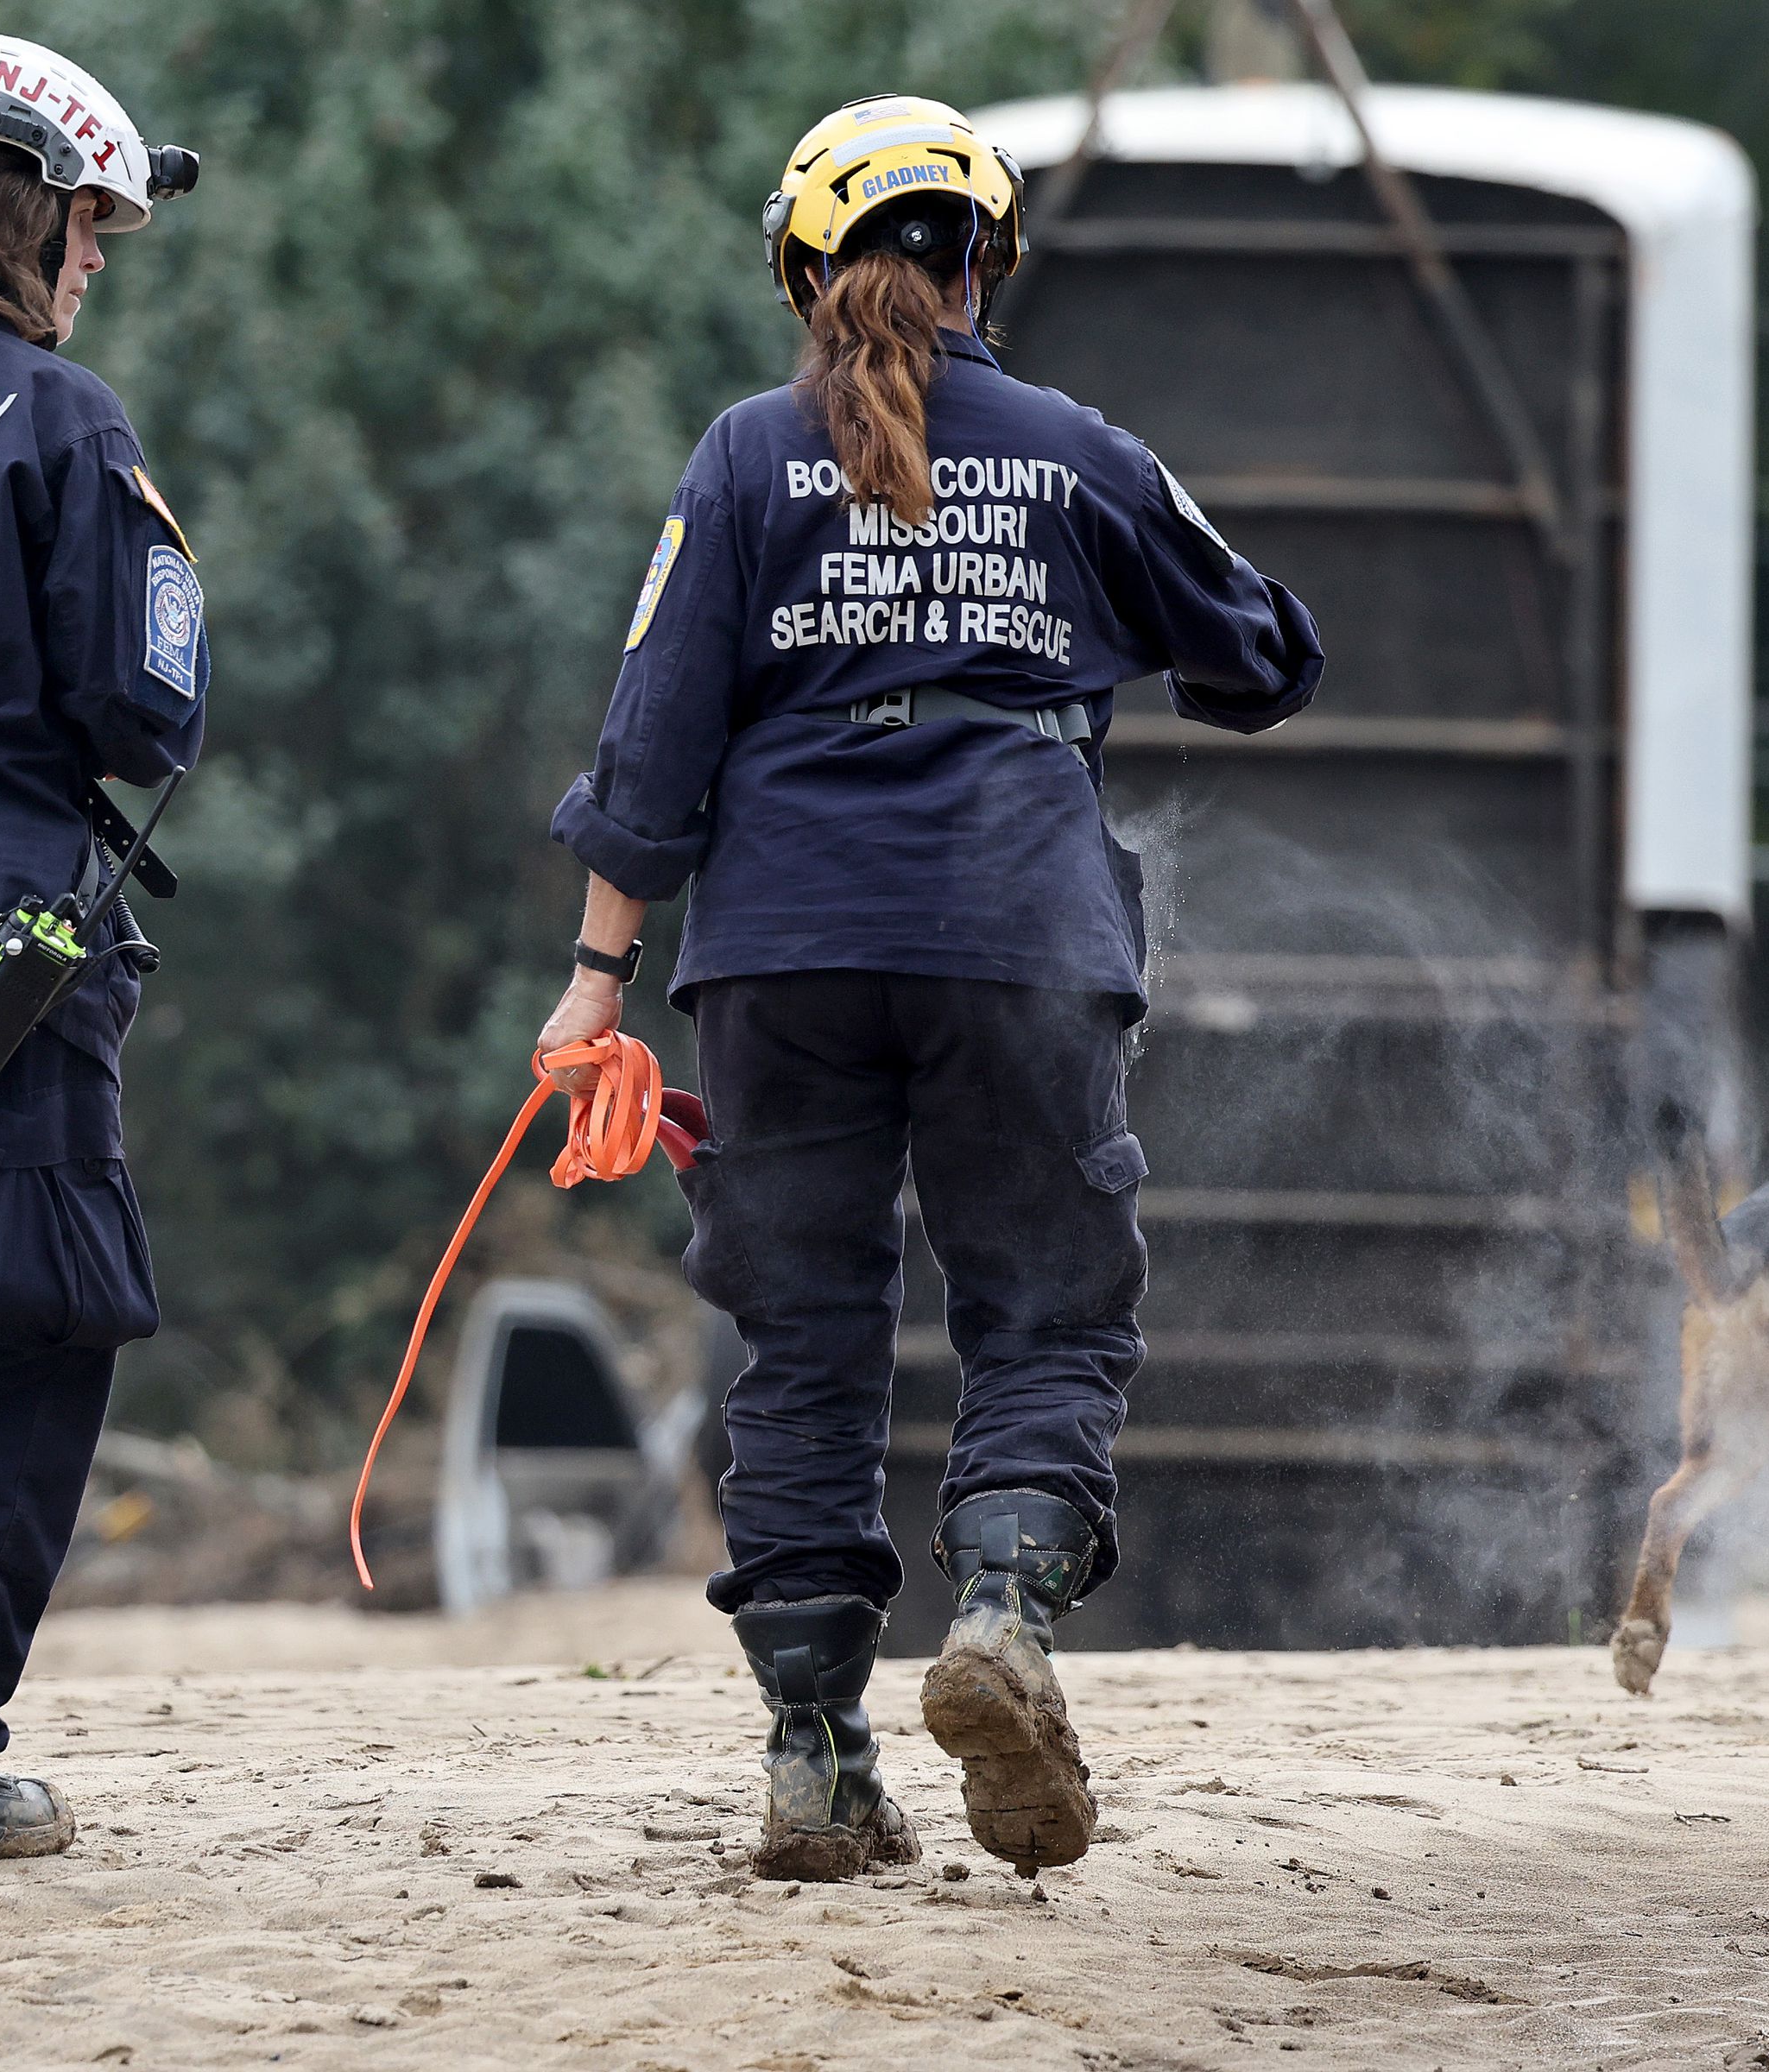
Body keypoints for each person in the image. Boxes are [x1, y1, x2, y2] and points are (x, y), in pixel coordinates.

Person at [540, 93, 1322, 1881]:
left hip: (782, 952)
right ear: (992, 261)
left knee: (800, 1352)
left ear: (805, 271)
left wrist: (596, 981)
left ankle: (817, 1763)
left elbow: (649, 755)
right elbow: (1265, 654)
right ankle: (1006, 1619)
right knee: (1045, 1314)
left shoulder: (742, 457)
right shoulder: (1071, 448)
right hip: (1016, 937)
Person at [0, 36, 204, 1878]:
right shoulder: (65, 425)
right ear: (24, 218)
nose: (96, 262)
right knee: (19, 1333)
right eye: (90, 226)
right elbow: (146, 709)